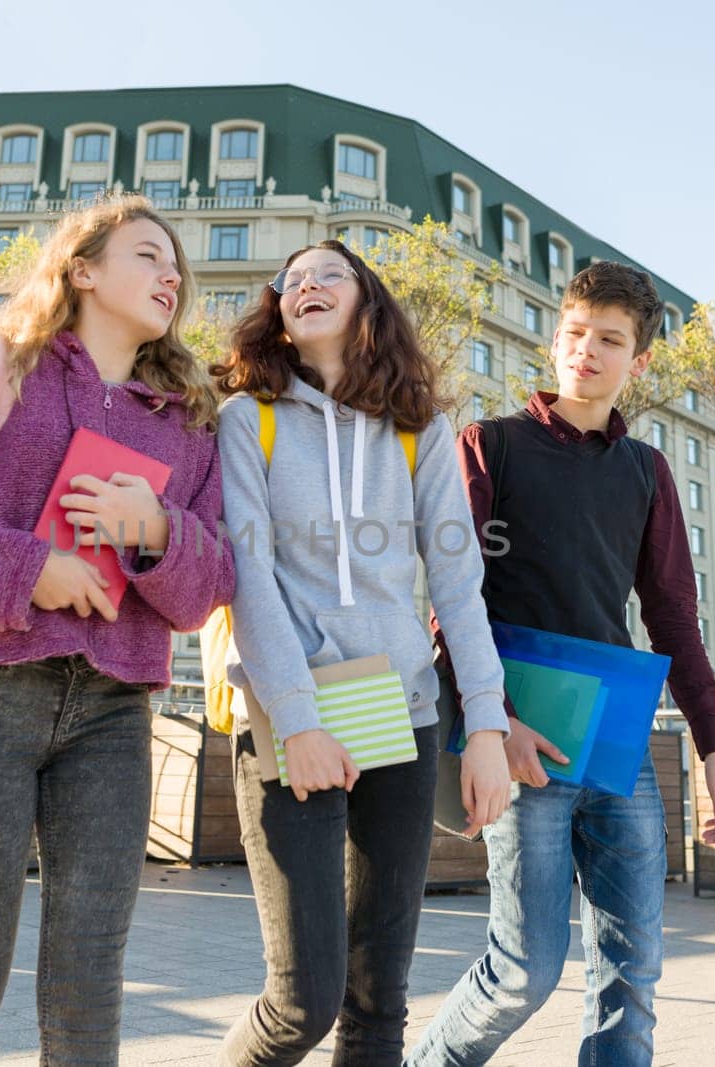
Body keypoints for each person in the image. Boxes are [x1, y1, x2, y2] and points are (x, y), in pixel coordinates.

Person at [0, 195, 235, 1066]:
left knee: (88, 1002)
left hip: (113, 718)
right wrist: (34, 568)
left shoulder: (189, 423)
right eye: (148, 254)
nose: (171, 273)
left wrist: (157, 531)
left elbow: (209, 584)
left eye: (177, 266)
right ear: (83, 267)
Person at [407, 261, 715, 1066]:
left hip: (619, 746)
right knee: (524, 970)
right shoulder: (490, 445)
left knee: (633, 975)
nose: (586, 350)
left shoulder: (647, 472)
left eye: (610, 340)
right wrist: (494, 722)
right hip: (522, 737)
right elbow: (453, 601)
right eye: (576, 332)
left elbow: (672, 617)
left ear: (640, 361)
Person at [212, 239, 511, 1065]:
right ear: (279, 310)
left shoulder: (420, 430)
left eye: (328, 275)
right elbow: (248, 579)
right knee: (300, 1001)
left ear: (366, 297)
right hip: (289, 718)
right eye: (292, 281)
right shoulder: (248, 420)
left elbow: (458, 585)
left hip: (403, 717)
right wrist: (300, 719)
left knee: (378, 1000)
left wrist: (484, 724)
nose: (306, 285)